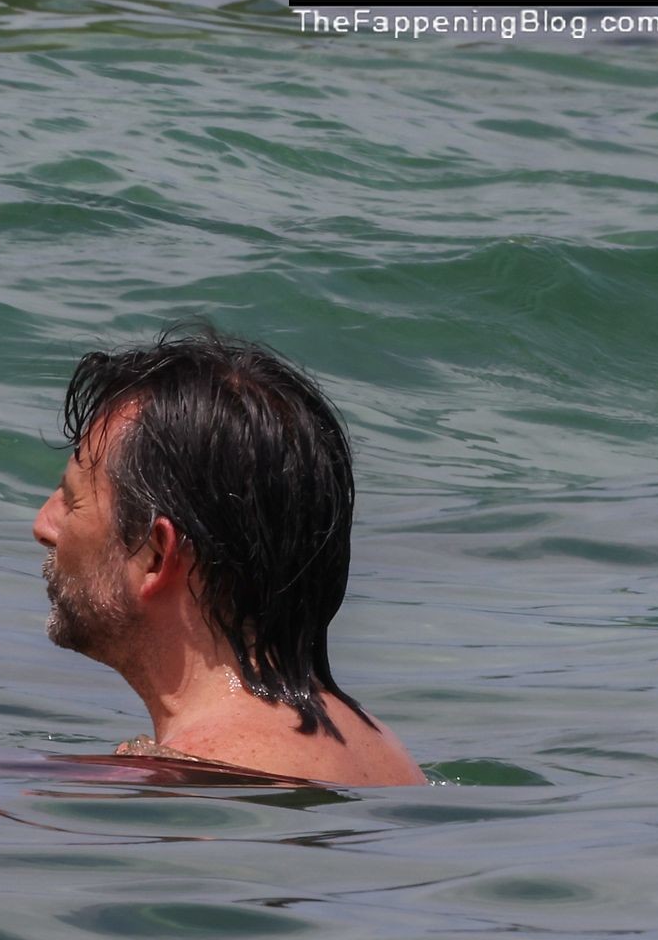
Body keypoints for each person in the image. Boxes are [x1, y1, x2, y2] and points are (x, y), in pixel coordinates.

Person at [32, 325, 424, 786]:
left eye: (72, 500)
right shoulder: (383, 754)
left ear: (155, 555)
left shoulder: (183, 781)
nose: (43, 526)